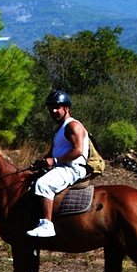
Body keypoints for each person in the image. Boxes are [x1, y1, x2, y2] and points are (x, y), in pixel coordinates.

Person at [26, 89, 89, 239]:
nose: (53, 111)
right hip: (62, 166)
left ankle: (47, 225)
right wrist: (42, 163)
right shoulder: (60, 129)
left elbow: (78, 150)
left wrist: (54, 161)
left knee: (43, 184)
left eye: (57, 107)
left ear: (66, 108)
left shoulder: (73, 126)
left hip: (73, 168)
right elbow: (53, 153)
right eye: (50, 108)